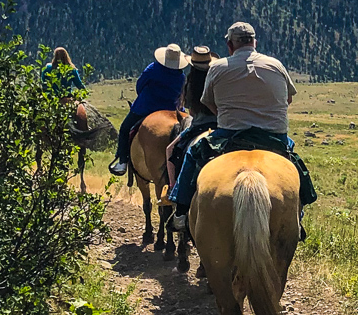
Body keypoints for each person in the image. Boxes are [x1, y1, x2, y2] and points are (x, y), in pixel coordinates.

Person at [165, 22, 317, 228]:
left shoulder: (218, 68)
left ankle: (181, 210)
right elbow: (288, 99)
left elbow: (208, 102)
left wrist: (229, 114)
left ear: (230, 45)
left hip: (230, 134)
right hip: (274, 135)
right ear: (254, 42)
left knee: (192, 154)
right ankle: (298, 212)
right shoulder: (276, 65)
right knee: (294, 162)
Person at [108, 43, 190, 177]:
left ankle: (122, 162)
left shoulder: (153, 68)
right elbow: (182, 94)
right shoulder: (181, 76)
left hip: (146, 107)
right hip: (173, 109)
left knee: (124, 129)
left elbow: (140, 85)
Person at [166, 45, 219, 191]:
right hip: (221, 125)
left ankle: (173, 188)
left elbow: (191, 111)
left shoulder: (190, 84)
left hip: (198, 126)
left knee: (170, 150)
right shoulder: (217, 80)